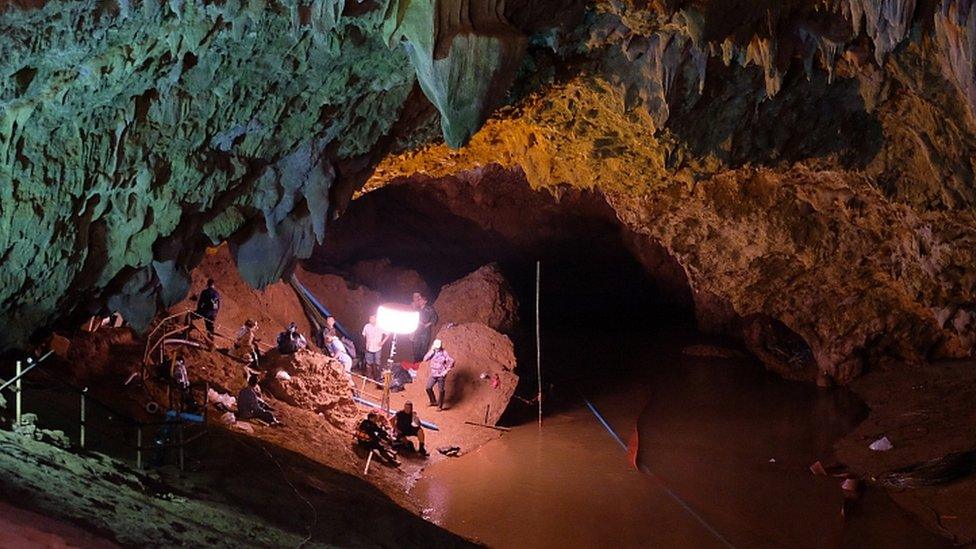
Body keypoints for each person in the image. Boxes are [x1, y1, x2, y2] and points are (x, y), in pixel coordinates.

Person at [423, 339, 455, 410]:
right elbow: (425, 359)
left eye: (438, 348)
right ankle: (433, 401)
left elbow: (451, 361)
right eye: (436, 347)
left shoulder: (444, 353)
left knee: (441, 390)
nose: (437, 349)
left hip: (441, 375)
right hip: (433, 374)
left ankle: (440, 406)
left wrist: (446, 371)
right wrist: (431, 351)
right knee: (428, 387)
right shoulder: (432, 352)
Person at [410, 291, 438, 365]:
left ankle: (422, 363)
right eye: (419, 299)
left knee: (423, 348)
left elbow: (434, 318)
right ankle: (416, 362)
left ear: (425, 301)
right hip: (417, 331)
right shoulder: (417, 309)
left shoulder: (429, 309)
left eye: (421, 299)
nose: (419, 301)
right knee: (415, 347)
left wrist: (427, 324)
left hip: (425, 332)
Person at [361, 314, 389, 382]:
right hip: (368, 348)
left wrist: (383, 342)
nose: (370, 320)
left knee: (377, 363)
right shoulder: (367, 326)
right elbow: (363, 335)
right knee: (368, 363)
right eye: (370, 319)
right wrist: (365, 344)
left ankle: (377, 377)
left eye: (372, 319)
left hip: (377, 348)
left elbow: (388, 334)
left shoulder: (381, 326)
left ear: (376, 319)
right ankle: (369, 377)